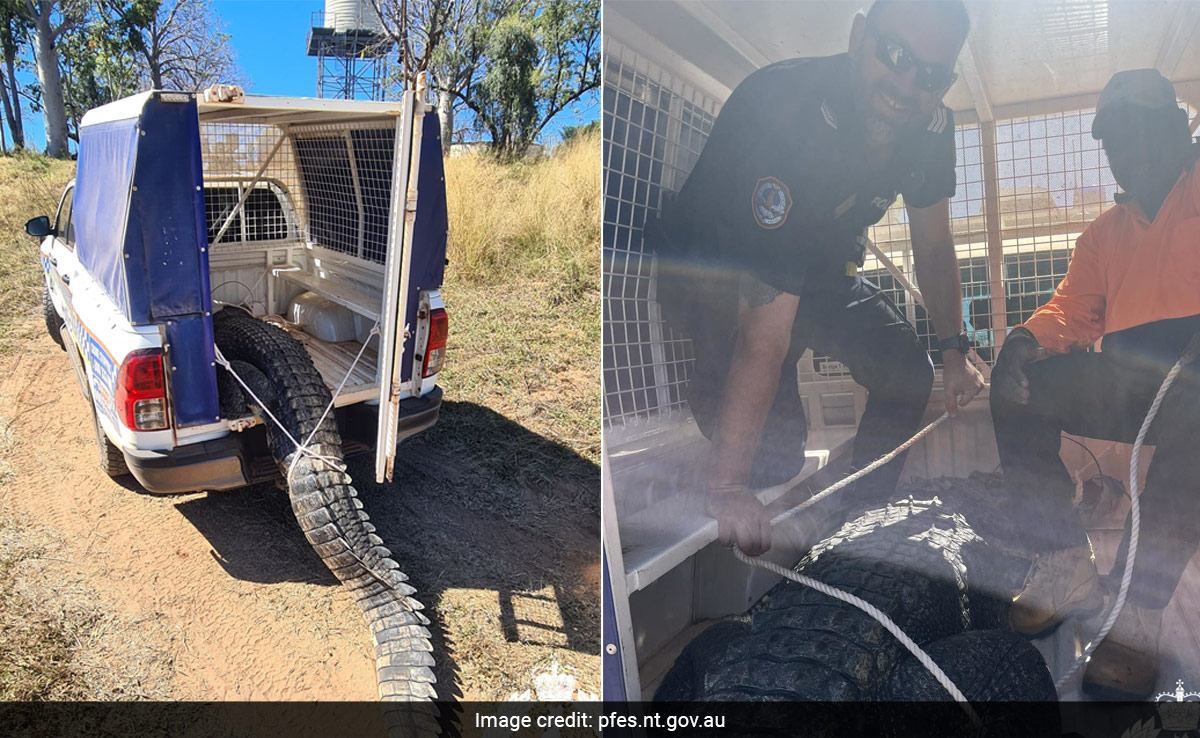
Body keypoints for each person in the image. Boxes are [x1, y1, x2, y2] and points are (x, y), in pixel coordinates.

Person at [647, 0, 985, 556]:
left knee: (907, 370)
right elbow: (765, 338)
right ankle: (711, 381)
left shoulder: (930, 123)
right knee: (772, 460)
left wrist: (954, 349)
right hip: (715, 269)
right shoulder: (788, 116)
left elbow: (932, 240)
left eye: (929, 75)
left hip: (813, 262)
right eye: (895, 53)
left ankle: (857, 526)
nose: (905, 83)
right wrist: (727, 487)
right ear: (859, 38)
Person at [990, 68, 1200, 698]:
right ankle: (1063, 560)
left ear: (1175, 129)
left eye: (1139, 132)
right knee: (1015, 387)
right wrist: (1023, 343)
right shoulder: (1103, 234)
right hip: (1131, 379)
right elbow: (1072, 308)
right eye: (1113, 140)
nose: (1126, 151)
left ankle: (1139, 609)